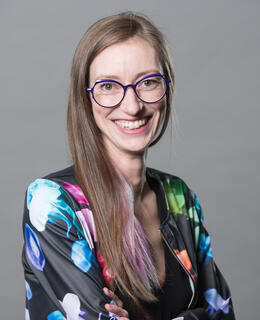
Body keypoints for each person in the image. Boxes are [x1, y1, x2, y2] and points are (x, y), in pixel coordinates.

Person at [22, 12, 236, 320]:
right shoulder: (53, 203)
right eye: (109, 86)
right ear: (87, 100)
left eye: (148, 82)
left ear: (167, 89)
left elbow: (222, 312)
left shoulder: (179, 197)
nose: (133, 106)